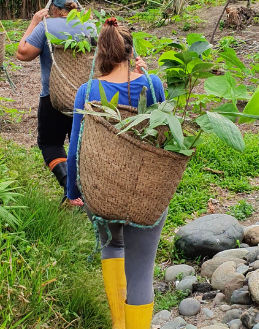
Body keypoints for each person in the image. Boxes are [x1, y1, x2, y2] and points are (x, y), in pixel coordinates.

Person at [65, 18, 166, 329]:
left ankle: (118, 324)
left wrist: (73, 191)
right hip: (145, 191)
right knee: (141, 272)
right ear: (130, 51)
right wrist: (145, 75)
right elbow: (165, 137)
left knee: (112, 245)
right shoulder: (153, 85)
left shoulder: (88, 90)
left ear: (101, 54)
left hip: (103, 191)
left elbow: (76, 148)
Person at [16, 0, 93, 200]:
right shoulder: (91, 27)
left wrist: (33, 22)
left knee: (50, 144)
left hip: (53, 98)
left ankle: (71, 191)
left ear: (54, 9)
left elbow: (22, 54)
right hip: (86, 99)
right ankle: (86, 192)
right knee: (81, 147)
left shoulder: (46, 26)